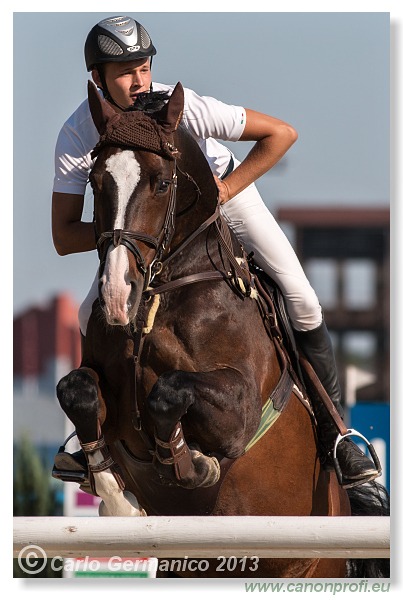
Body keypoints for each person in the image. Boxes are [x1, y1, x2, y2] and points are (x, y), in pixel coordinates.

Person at [52, 15, 379, 488]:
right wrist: (124, 231)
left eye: (142, 67)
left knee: (302, 297)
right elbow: (64, 237)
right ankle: (93, 442)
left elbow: (282, 134)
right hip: (142, 228)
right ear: (96, 78)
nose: (138, 80)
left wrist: (225, 190)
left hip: (226, 199)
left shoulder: (186, 107)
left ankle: (337, 436)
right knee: (90, 314)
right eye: (123, 72)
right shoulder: (78, 134)